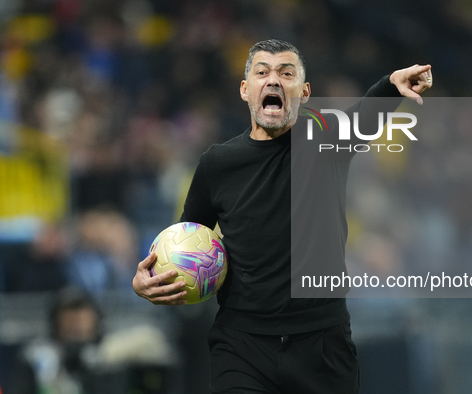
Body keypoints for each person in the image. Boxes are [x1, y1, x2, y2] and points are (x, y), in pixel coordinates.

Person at [132, 39, 432, 393]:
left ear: (304, 93)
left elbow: (363, 115)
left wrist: (390, 86)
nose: (273, 80)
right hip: (241, 347)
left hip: (322, 346)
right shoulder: (217, 164)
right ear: (245, 90)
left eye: (286, 73)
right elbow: (184, 241)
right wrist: (147, 281)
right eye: (262, 72)